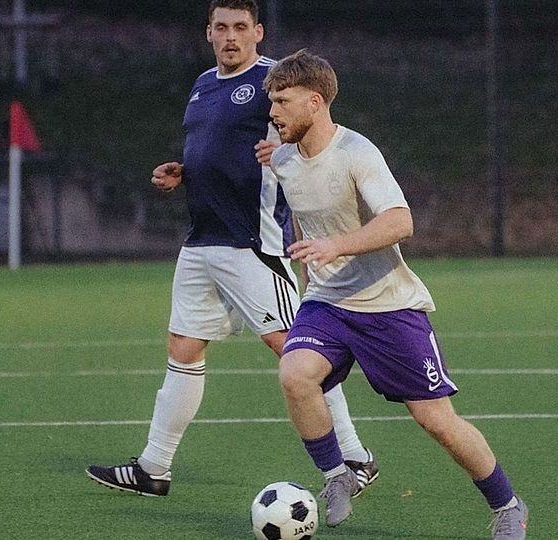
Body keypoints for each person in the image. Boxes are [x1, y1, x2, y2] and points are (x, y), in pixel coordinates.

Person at [85, 0, 377, 498]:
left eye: (241, 27)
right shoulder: (202, 85)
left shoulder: (274, 83)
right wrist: (184, 171)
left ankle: (354, 456)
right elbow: (214, 149)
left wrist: (284, 154)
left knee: (296, 351)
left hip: (252, 243)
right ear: (208, 32)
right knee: (184, 348)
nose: (231, 37)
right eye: (221, 27)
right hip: (201, 240)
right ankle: (154, 467)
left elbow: (313, 134)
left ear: (258, 32)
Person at [264, 50, 529, 539]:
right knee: (295, 374)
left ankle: (508, 505)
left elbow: (400, 221)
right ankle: (338, 474)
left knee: (435, 421)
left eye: (282, 100)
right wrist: (313, 271)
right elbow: (307, 217)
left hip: (388, 306)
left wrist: (334, 245)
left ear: (316, 101)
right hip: (327, 304)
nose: (273, 112)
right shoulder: (283, 159)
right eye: (271, 101)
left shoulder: (357, 153)